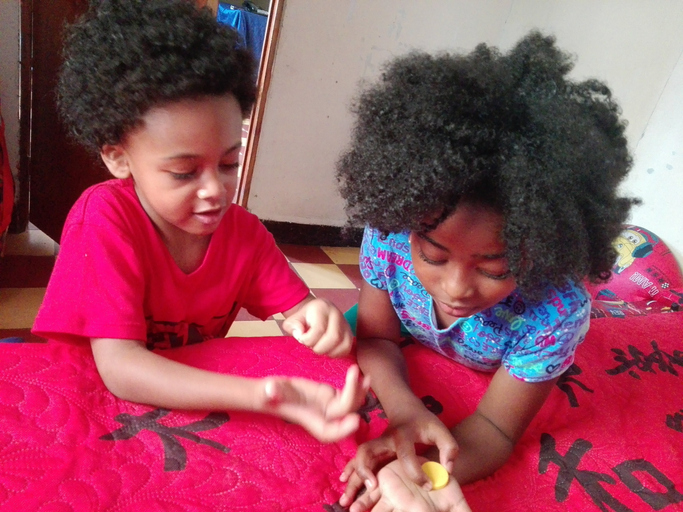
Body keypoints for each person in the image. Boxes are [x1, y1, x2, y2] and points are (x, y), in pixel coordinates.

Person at [32, 0, 368, 444]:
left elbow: (297, 311)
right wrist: (264, 396)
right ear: (118, 156)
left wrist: (317, 318)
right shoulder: (105, 220)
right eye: (184, 173)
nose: (215, 190)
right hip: (91, 408)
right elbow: (120, 369)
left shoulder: (243, 233)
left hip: (185, 406)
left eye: (229, 163)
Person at [335, 31, 638, 511]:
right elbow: (376, 339)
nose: (456, 288)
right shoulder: (392, 237)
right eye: (433, 257)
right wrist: (405, 411)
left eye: (495, 268)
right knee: (332, 341)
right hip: (393, 335)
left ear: (540, 249)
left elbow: (496, 430)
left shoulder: (554, 311)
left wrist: (421, 472)